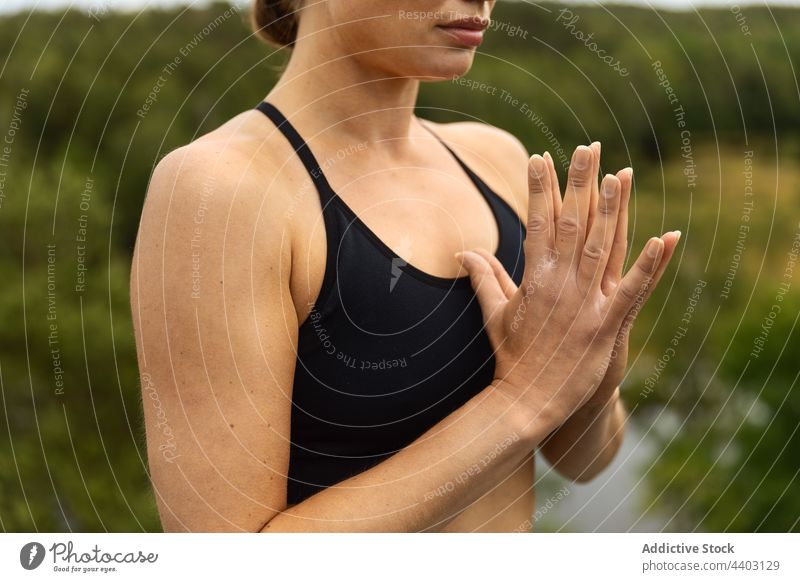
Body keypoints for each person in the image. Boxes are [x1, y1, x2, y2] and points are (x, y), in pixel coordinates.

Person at [130, 0, 680, 532]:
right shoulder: (222, 191)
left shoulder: (499, 161)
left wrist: (593, 361)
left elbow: (585, 461)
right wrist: (520, 401)